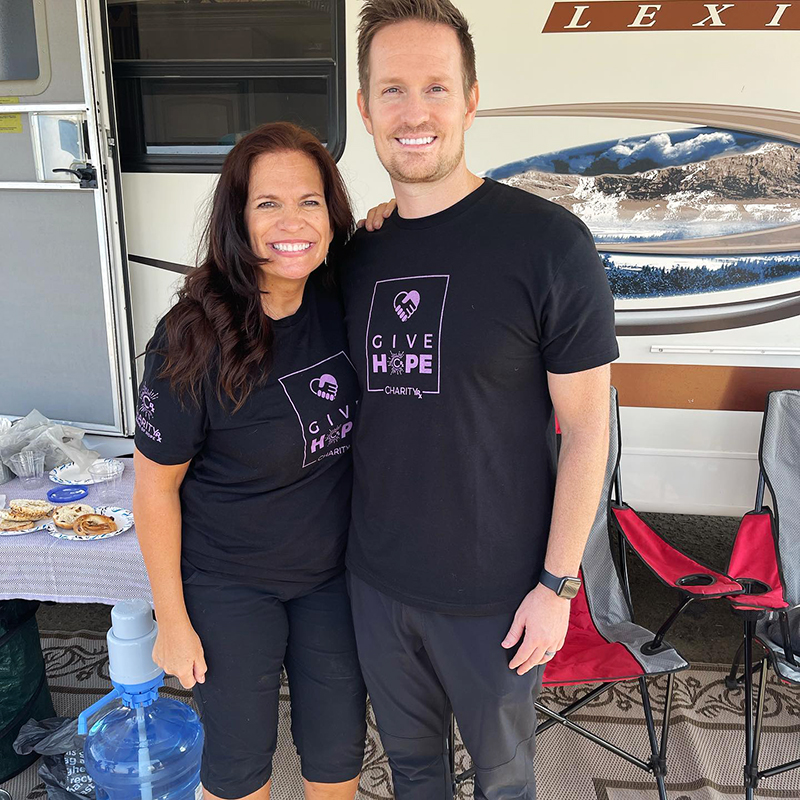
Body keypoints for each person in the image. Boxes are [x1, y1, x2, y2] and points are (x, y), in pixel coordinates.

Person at [339, 1, 619, 798]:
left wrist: (558, 585)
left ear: (471, 98)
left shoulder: (547, 243)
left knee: (503, 781)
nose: (414, 111)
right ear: (365, 108)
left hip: (498, 596)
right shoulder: (356, 253)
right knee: (412, 774)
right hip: (376, 582)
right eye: (392, 90)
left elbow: (589, 428)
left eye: (436, 86)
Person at [132, 122, 366, 800]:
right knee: (238, 771)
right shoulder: (192, 337)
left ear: (332, 213)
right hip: (230, 584)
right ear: (237, 218)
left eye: (310, 201)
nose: (292, 222)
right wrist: (171, 621)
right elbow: (154, 490)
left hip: (331, 578)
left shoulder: (341, 296)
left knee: (337, 756)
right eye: (267, 204)